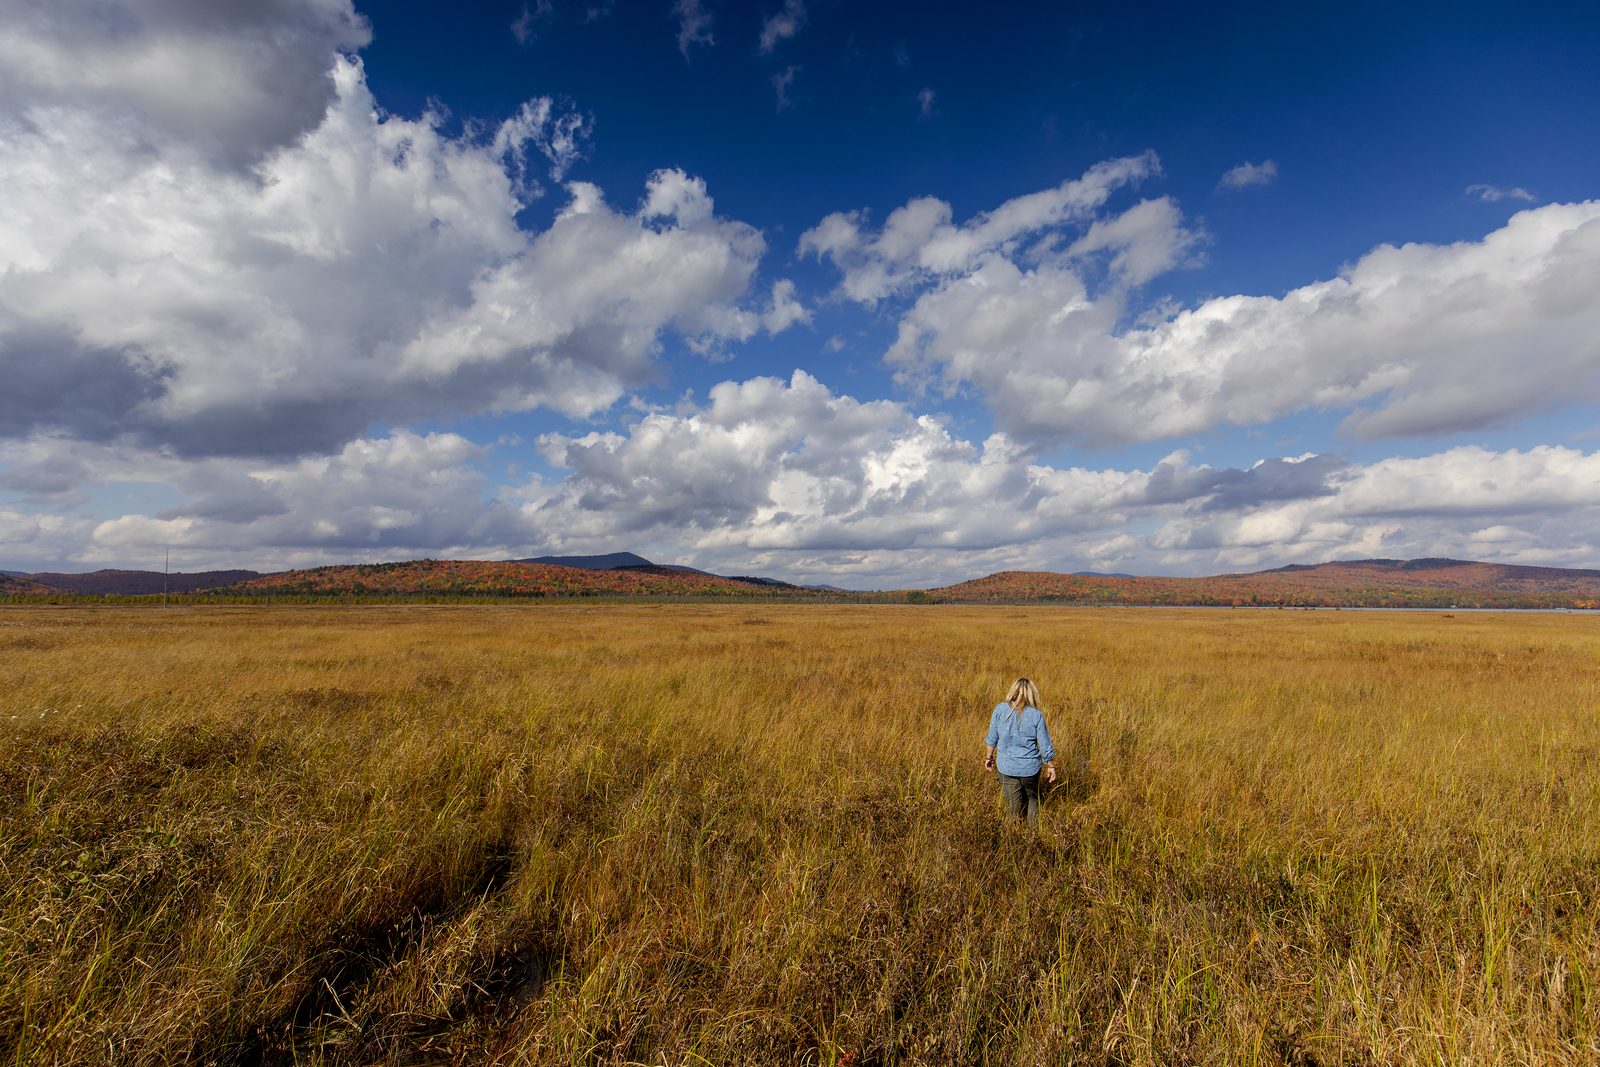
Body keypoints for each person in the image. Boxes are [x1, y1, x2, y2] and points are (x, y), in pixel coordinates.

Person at [983, 677, 1057, 827]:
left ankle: (1011, 837)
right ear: (1032, 694)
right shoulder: (1037, 715)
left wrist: (988, 757)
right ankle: (1033, 835)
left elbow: (992, 738)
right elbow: (1045, 745)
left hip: (1006, 767)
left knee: (1011, 806)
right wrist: (1051, 767)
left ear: (1013, 691)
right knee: (1033, 799)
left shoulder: (1000, 709)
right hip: (1030, 769)